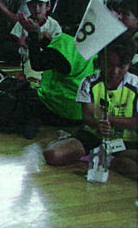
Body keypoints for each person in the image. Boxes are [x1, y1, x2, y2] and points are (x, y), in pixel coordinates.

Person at [42, 32, 137, 182]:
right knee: (53, 155)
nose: (115, 72)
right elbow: (87, 115)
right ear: (100, 60)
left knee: (132, 166)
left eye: (121, 66)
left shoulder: (135, 84)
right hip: (95, 136)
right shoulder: (89, 82)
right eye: (109, 65)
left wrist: (110, 120)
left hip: (128, 140)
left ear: (130, 63)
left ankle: (111, 159)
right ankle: (98, 153)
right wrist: (98, 124)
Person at [10, 0, 62, 82]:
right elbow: (11, 47)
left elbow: (59, 47)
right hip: (30, 60)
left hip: (49, 60)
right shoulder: (23, 23)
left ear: (48, 6)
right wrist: (19, 44)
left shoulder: (53, 24)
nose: (37, 9)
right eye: (33, 6)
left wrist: (48, 39)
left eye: (40, 5)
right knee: (33, 76)